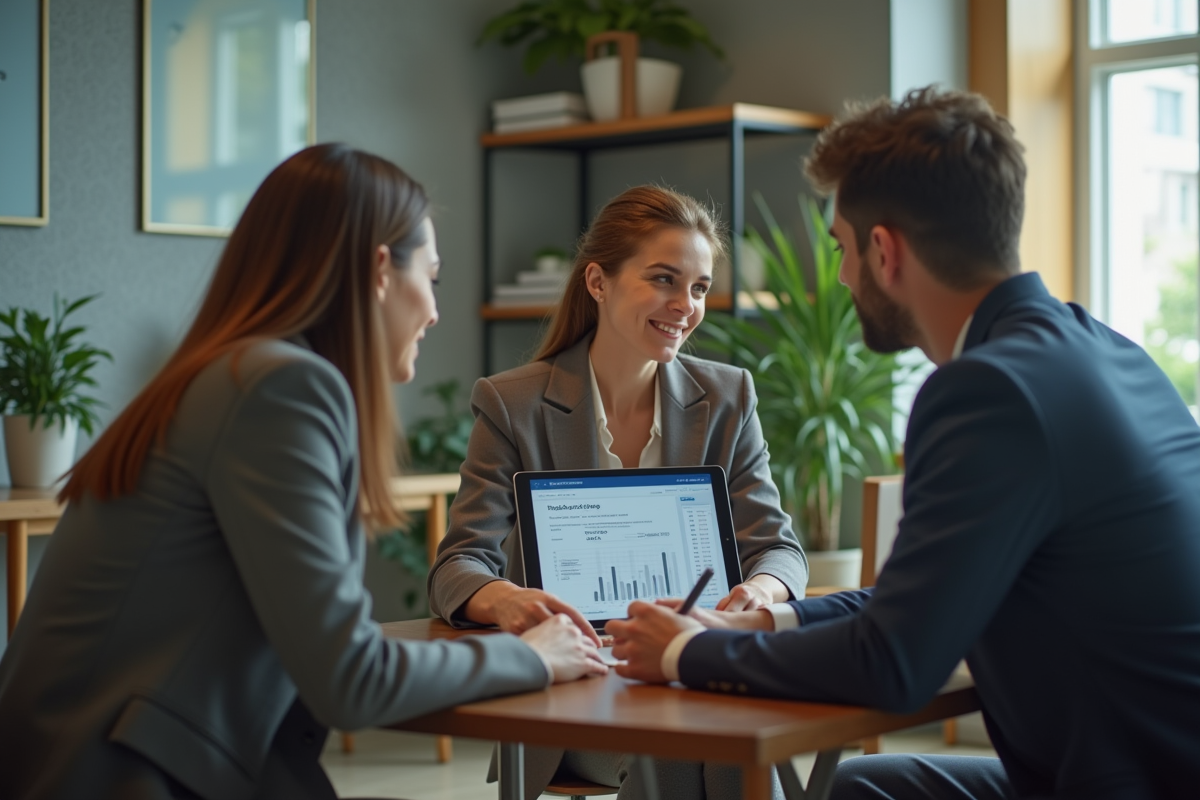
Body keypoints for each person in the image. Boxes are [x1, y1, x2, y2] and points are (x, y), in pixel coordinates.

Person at [608, 87, 1200, 800]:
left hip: (1132, 783)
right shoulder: (1105, 351)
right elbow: (910, 604)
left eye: (842, 249)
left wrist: (683, 650)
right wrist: (766, 618)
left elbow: (895, 661)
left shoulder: (989, 393)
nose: (842, 276)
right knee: (863, 788)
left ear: (884, 250)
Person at [0, 144, 606, 800]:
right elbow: (350, 678)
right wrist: (535, 655)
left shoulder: (230, 372)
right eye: (429, 277)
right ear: (379, 270)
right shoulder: (280, 388)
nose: (434, 310)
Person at [428, 185, 808, 800]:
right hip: (583, 688)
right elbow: (457, 565)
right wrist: (507, 602)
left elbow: (780, 549)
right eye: (664, 279)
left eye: (701, 287)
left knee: (724, 738)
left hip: (695, 664)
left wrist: (758, 591)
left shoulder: (729, 398)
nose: (685, 306)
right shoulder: (513, 404)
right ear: (598, 282)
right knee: (695, 746)